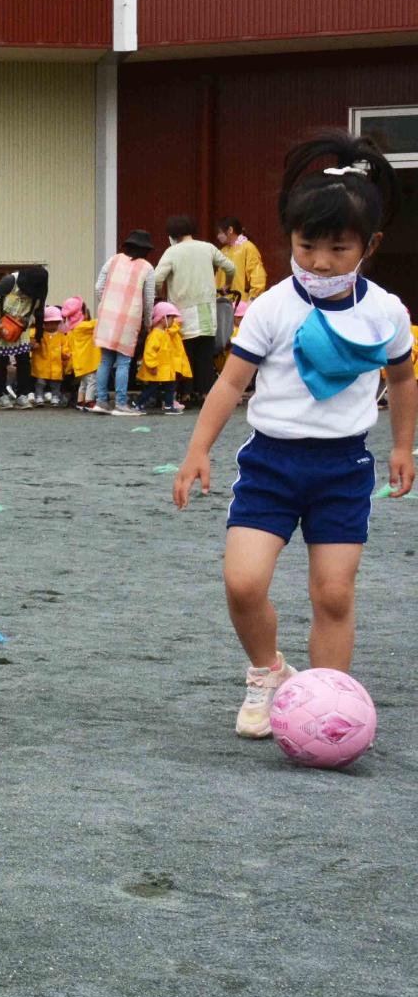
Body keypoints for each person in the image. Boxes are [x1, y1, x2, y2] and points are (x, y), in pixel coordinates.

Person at [173, 133, 414, 742]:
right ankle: (269, 671)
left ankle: (329, 705)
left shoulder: (385, 311)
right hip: (271, 466)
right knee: (243, 582)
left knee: (333, 594)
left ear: (369, 246)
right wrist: (197, 449)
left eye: (338, 249)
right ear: (291, 241)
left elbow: (404, 379)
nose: (321, 262)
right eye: (307, 247)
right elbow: (230, 385)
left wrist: (402, 446)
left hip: (343, 469)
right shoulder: (274, 307)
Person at [153, 213, 236, 405]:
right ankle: (207, 394)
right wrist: (227, 286)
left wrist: (161, 297)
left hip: (181, 310)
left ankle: (185, 394)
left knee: (184, 353)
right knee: (205, 354)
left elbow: (157, 279)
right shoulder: (207, 248)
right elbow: (230, 268)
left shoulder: (171, 252)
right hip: (206, 309)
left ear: (173, 234)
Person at [92, 230, 158, 417]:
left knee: (105, 360)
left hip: (106, 315)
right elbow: (148, 299)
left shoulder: (113, 260)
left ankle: (101, 401)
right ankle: (121, 404)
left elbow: (99, 287)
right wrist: (148, 321)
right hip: (129, 317)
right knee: (123, 361)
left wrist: (106, 303)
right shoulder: (147, 268)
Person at [0, 267, 48, 409]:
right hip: (0, 321)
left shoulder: (40, 288)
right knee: (1, 360)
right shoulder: (10, 281)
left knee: (24, 359)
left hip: (21, 324)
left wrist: (38, 336)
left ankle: (22, 395)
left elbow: (39, 312)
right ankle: (1, 395)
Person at [135, 301, 190, 414]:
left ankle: (168, 406)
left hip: (165, 369)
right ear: (162, 318)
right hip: (158, 369)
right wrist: (152, 365)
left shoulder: (163, 333)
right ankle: (138, 403)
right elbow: (149, 352)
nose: (173, 321)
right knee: (152, 388)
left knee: (169, 386)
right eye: (171, 318)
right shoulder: (156, 334)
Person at [62, 295, 100, 409]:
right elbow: (97, 323)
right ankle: (89, 402)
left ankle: (80, 402)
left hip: (79, 362)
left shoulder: (71, 329)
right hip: (88, 361)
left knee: (83, 383)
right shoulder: (82, 326)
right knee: (92, 381)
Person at [30, 305, 68, 405]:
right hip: (41, 363)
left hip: (56, 363)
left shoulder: (61, 336)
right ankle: (39, 396)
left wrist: (65, 354)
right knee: (40, 382)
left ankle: (55, 396)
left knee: (56, 383)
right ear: (44, 323)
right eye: (49, 323)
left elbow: (65, 346)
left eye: (55, 323)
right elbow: (31, 338)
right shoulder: (39, 334)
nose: (52, 326)